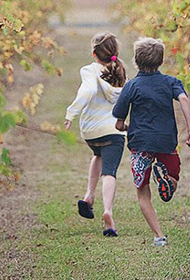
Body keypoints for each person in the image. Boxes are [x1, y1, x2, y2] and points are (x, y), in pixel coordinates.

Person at [113, 36, 190, 247]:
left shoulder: (131, 86)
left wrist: (127, 128)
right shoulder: (171, 82)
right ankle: (166, 180)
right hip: (166, 142)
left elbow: (118, 123)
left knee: (143, 193)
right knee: (173, 180)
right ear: (160, 61)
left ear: (136, 60)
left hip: (140, 144)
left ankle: (159, 236)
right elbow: (184, 100)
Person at [64, 32, 128, 236]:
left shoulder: (89, 70)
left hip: (91, 132)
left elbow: (88, 91)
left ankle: (89, 197)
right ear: (115, 53)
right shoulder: (120, 73)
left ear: (94, 54)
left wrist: (72, 113)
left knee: (97, 154)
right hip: (113, 131)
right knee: (109, 172)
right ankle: (108, 213)